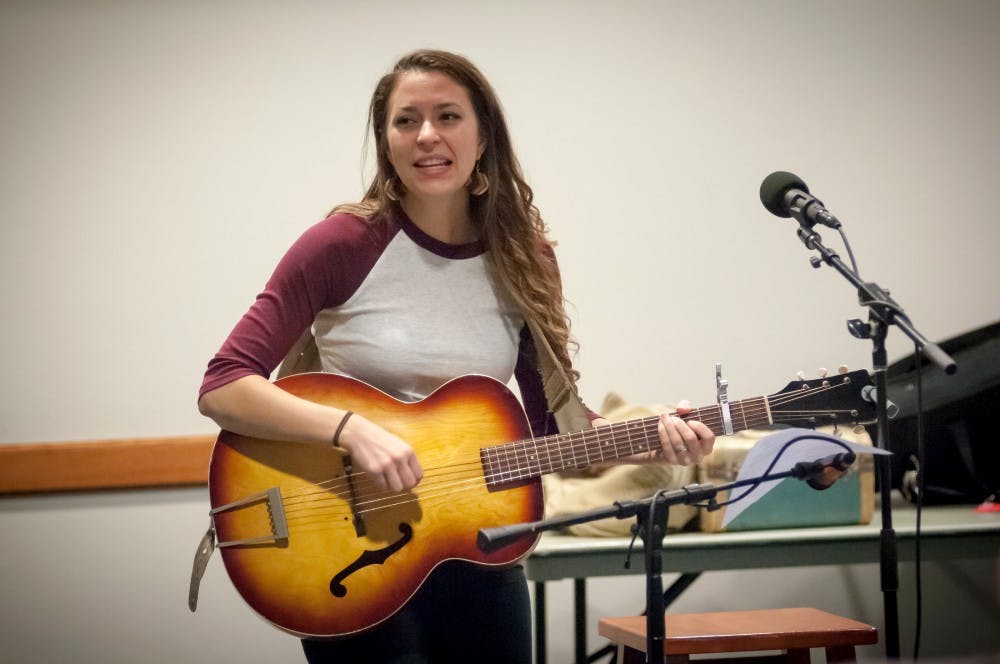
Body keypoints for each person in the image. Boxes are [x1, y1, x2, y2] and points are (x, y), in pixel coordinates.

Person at [198, 48, 716, 664]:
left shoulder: (524, 259)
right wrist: (351, 430)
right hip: (350, 552)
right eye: (405, 120)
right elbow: (223, 384)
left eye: (447, 116)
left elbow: (555, 432)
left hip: (479, 548)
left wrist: (655, 440)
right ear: (385, 140)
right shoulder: (341, 245)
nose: (426, 136)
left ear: (483, 137)